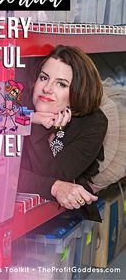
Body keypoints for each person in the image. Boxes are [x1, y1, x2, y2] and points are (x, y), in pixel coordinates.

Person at [17, 45, 108, 221]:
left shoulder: (93, 123)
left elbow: (55, 174)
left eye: (61, 84)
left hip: (61, 217)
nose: (47, 89)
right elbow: (5, 176)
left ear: (78, 92)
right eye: (44, 78)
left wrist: (39, 129)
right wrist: (31, 120)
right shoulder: (19, 104)